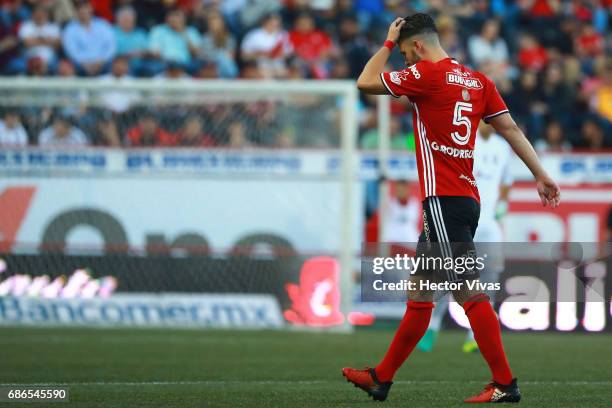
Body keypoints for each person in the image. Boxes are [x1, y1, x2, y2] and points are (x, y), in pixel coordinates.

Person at [343, 13, 560, 403]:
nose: (406, 62)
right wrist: (540, 174)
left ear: (419, 46)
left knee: (466, 291)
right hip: (466, 201)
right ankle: (381, 377)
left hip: (443, 202)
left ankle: (505, 384)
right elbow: (510, 128)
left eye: (409, 53)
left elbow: (365, 81)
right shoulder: (479, 81)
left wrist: (389, 42)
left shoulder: (425, 74)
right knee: (422, 290)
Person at [417, 121, 514, 354]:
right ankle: (432, 327)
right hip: (465, 219)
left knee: (489, 278)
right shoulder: (464, 141)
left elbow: (507, 182)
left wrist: (501, 207)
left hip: (489, 224)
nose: (490, 122)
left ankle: (475, 335)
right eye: (486, 117)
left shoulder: (503, 147)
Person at [61, 0, 116, 76]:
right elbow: (71, 51)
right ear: (76, 11)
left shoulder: (103, 25)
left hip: (103, 64)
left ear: (91, 8)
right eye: (80, 8)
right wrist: (85, 64)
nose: (83, 11)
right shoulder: (70, 29)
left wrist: (101, 62)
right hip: (80, 66)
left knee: (117, 65)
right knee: (67, 66)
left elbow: (111, 47)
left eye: (85, 8)